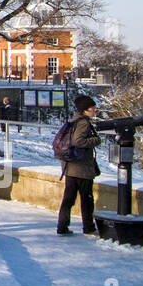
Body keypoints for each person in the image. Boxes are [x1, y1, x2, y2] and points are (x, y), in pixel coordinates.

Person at [57, 94, 102, 235]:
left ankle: (62, 226)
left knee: (68, 199)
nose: (95, 110)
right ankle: (88, 227)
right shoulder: (83, 123)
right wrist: (95, 140)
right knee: (86, 199)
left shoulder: (73, 121)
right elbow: (78, 141)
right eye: (93, 107)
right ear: (86, 109)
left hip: (70, 167)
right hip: (81, 167)